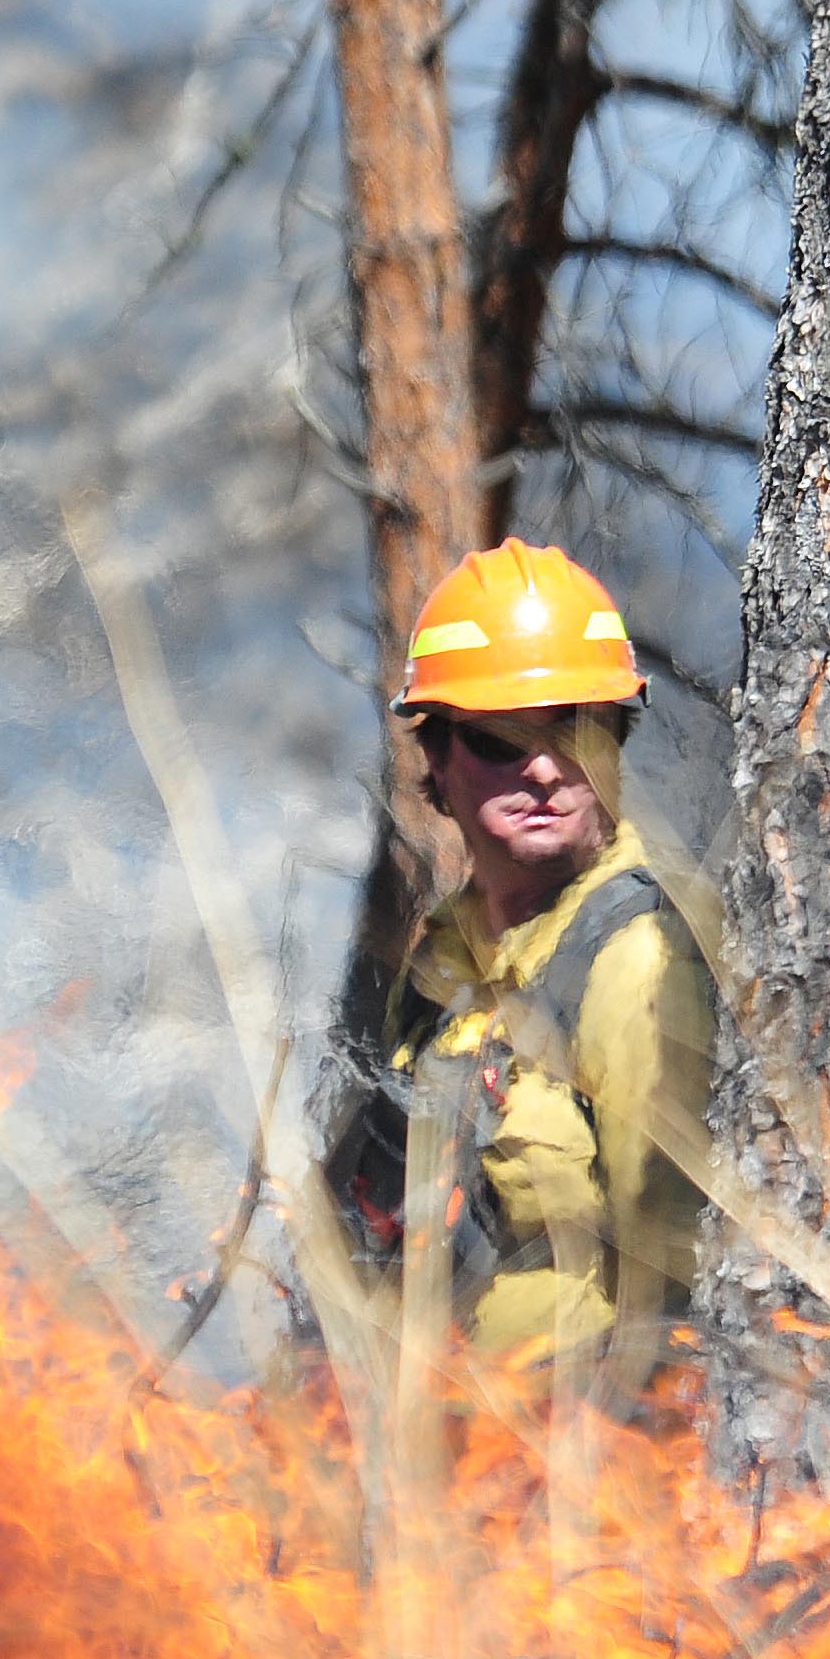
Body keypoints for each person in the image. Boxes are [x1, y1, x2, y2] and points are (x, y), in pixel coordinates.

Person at [321, 540, 718, 1390]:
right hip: (436, 1458)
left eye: (574, 728)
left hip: (580, 1471)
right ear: (437, 756)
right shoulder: (443, 963)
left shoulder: (639, 962)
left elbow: (681, 1296)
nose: (542, 768)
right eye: (503, 739)